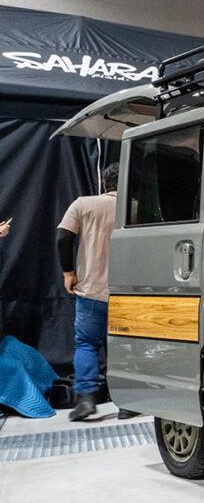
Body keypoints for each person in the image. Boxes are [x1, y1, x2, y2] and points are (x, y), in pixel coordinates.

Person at [57, 163, 133, 421]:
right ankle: (126, 403)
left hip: (91, 291)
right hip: (126, 294)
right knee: (122, 346)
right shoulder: (134, 208)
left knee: (87, 344)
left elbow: (63, 238)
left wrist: (68, 273)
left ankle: (86, 399)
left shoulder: (83, 204)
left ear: (104, 183)